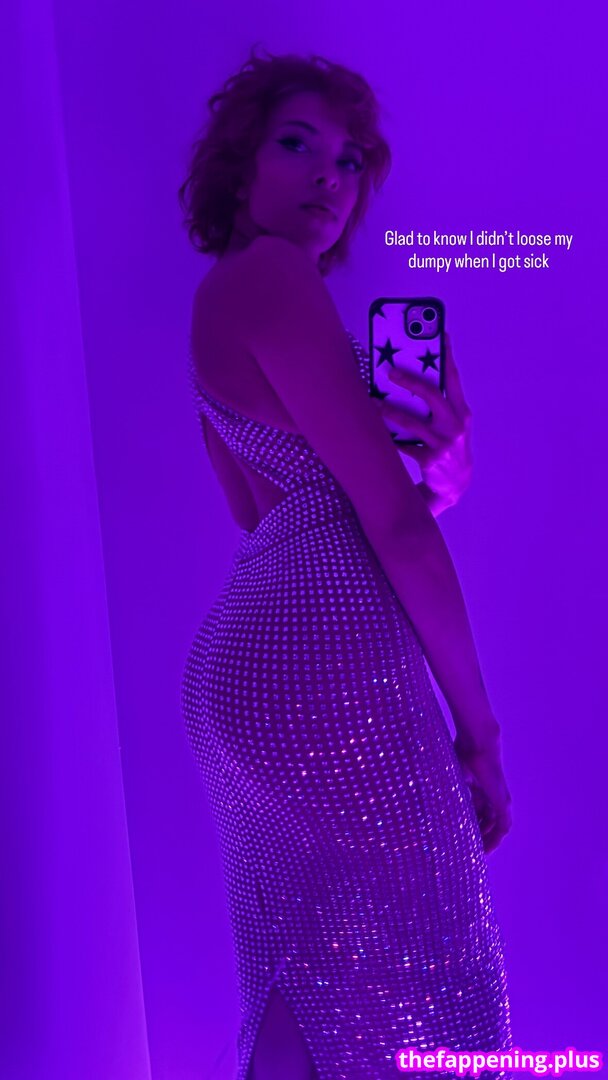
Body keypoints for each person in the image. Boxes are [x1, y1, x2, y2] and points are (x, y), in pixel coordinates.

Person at [178, 45, 513, 1080]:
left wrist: (436, 481)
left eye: (350, 160)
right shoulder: (276, 276)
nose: (330, 175)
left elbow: (268, 513)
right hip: (329, 668)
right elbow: (390, 527)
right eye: (298, 145)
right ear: (240, 165)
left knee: (306, 977)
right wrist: (481, 732)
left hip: (241, 672)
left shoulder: (219, 300)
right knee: (435, 999)